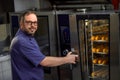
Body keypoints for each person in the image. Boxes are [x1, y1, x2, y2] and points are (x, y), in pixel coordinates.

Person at [9, 11, 78, 80]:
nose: (33, 25)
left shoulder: (27, 36)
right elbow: (44, 61)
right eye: (29, 22)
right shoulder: (22, 41)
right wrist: (67, 59)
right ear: (21, 24)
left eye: (35, 23)